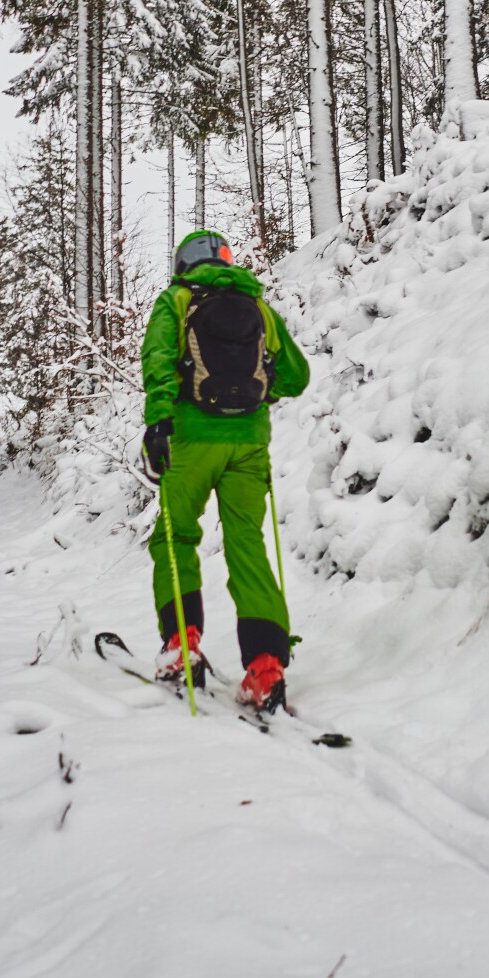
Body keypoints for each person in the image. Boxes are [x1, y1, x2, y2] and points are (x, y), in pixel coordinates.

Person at [139, 230, 311, 712]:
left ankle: (182, 645)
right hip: (250, 444)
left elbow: (156, 362)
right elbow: (297, 377)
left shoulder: (176, 300)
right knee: (246, 544)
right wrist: (263, 389)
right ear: (227, 261)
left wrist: (159, 423)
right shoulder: (258, 307)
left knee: (174, 537)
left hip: (192, 440)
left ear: (182, 264)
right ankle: (265, 665)